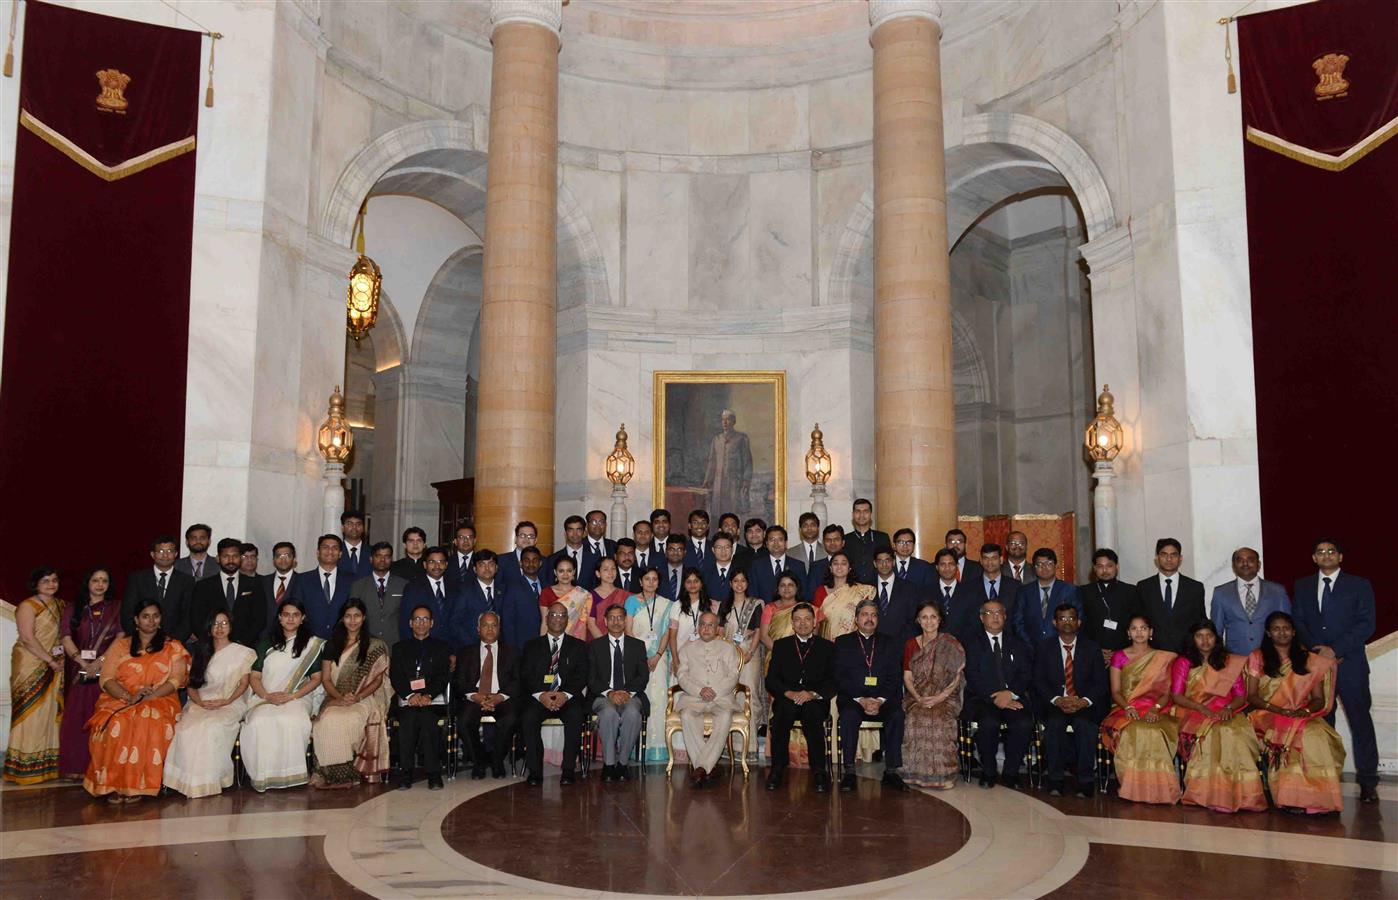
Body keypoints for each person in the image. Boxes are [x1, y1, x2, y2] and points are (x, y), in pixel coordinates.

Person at [1291, 538, 1378, 804]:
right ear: (1314, 558)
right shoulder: (1303, 585)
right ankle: (1326, 778)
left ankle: (1367, 781)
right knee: (1322, 724)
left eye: (1331, 551)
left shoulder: (1359, 585)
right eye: (1320, 552)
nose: (1326, 555)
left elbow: (1367, 624)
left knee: (1360, 721)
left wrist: (1335, 650)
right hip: (1317, 667)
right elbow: (1298, 621)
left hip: (1349, 664)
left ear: (1340, 556)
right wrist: (1318, 654)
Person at [83, 599, 190, 802]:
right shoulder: (121, 646)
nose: (151, 620)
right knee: (115, 723)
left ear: (160, 620)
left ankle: (136, 785)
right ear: (136, 620)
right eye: (145, 616)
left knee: (146, 721)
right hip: (120, 698)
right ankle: (111, 784)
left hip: (161, 698)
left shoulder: (172, 646)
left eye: (155, 616)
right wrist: (128, 697)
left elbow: (176, 679)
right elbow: (106, 679)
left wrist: (153, 695)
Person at [1246, 611, 1344, 814]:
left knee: (1317, 734)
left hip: (1302, 714)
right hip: (1268, 714)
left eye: (1286, 628)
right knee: (1289, 737)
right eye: (1276, 628)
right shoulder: (1258, 657)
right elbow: (1252, 696)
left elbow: (1318, 699)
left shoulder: (1308, 658)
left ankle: (1321, 798)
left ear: (1293, 632)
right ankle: (1292, 798)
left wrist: (1305, 711)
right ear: (1268, 633)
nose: (1282, 632)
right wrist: (1278, 709)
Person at [1170, 619, 1264, 813]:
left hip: (1226, 711)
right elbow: (1177, 696)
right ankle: (1209, 794)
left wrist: (1228, 708)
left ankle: (1242, 795)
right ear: (1192, 639)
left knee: (1234, 732)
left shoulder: (1229, 661)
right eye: (1199, 636)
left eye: (1209, 636)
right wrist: (1201, 708)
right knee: (1213, 734)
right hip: (1193, 711)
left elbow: (1240, 695)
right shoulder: (1184, 662)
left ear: (1216, 638)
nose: (1205, 641)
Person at [163, 611, 256, 798]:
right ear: (209, 628)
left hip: (231, 702)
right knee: (186, 728)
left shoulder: (243, 652)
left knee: (211, 727)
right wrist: (201, 703)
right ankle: (184, 781)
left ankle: (209, 781)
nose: (220, 628)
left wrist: (226, 701)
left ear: (231, 626)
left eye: (224, 623)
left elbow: (244, 684)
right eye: (215, 624)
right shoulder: (200, 651)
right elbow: (191, 686)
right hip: (200, 702)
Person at [241, 599, 326, 792]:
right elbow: (255, 677)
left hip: (298, 696)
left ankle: (291, 775)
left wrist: (293, 696)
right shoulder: (266, 643)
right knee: (258, 722)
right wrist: (267, 696)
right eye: (286, 614)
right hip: (266, 697)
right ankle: (265, 775)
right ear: (279, 618)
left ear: (302, 618)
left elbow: (316, 678)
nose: (290, 619)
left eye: (295, 615)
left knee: (293, 720)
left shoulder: (311, 644)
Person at [1101, 614, 1180, 804]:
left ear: (1151, 632)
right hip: (1124, 708)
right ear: (1128, 633)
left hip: (1157, 709)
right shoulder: (1119, 657)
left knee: (1154, 730)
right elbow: (1116, 691)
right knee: (1135, 730)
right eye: (1134, 628)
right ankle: (1133, 788)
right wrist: (1127, 706)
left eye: (1143, 628)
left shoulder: (1163, 657)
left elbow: (1167, 692)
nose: (1139, 632)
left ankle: (1161, 791)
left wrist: (1156, 708)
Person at [311, 599, 391, 788]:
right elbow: (326, 679)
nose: (352, 620)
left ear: (363, 618)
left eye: (356, 616)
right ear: (342, 619)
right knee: (325, 722)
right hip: (335, 697)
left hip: (364, 698)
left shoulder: (375, 645)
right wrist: (339, 698)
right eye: (348, 616)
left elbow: (377, 680)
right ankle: (327, 772)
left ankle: (350, 772)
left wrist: (357, 697)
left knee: (352, 719)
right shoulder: (331, 645)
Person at [1031, 604, 1108, 798]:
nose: (1067, 622)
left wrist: (1083, 701)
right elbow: (1038, 680)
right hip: (1055, 703)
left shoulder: (1091, 647)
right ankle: (1055, 779)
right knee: (1055, 724)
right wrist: (1057, 700)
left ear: (1079, 622)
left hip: (1083, 703)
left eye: (1071, 618)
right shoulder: (1044, 647)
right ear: (1054, 623)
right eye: (1062, 619)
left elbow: (1100, 682)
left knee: (1085, 726)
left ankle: (1085, 780)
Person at [834, 599, 910, 793]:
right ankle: (849, 770)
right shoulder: (843, 642)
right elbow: (839, 676)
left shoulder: (889, 642)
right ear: (857, 619)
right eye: (865, 615)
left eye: (874, 615)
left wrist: (880, 699)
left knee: (897, 715)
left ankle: (891, 771)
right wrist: (861, 699)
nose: (870, 619)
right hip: (854, 698)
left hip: (882, 699)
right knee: (849, 716)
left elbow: (894, 676)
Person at [59, 568, 122, 780]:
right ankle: (76, 766)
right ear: (88, 583)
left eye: (104, 580)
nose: (100, 584)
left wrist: (100, 662)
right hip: (79, 669)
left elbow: (121, 637)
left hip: (107, 670)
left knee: (102, 717)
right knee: (77, 717)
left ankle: (100, 766)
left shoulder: (116, 608)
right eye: (95, 580)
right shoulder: (73, 608)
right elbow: (66, 637)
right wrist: (82, 661)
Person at [765, 602, 835, 791]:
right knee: (780, 718)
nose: (802, 623)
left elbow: (832, 680)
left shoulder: (827, 647)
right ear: (792, 623)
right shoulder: (781, 646)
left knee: (812, 716)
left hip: (814, 699)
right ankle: (778, 768)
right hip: (788, 698)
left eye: (807, 619)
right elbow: (771, 680)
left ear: (814, 623)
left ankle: (819, 771)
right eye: (798, 620)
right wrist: (789, 693)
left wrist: (811, 694)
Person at [963, 598, 1032, 789]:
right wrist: (995, 697)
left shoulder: (1016, 642)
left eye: (998, 613)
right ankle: (989, 771)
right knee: (988, 723)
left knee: (1023, 723)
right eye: (989, 613)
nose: (994, 617)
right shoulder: (972, 643)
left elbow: (1025, 673)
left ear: (1005, 616)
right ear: (981, 618)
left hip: (1012, 697)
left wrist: (1010, 694)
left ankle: (1011, 772)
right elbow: (972, 675)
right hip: (983, 698)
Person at [5, 567, 66, 784]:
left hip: (55, 665)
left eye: (54, 580)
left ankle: (45, 765)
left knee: (48, 713)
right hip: (30, 664)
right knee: (29, 714)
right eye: (46, 580)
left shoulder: (60, 605)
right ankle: (23, 768)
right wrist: (49, 660)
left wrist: (58, 660)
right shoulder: (27, 606)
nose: (51, 584)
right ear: (36, 583)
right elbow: (28, 638)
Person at [520, 602, 589, 785]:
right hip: (540, 697)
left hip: (567, 697)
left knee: (575, 717)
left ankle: (568, 770)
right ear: (547, 618)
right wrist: (541, 695)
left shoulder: (578, 646)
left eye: (562, 616)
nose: (557, 619)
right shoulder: (531, 645)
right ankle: (535, 771)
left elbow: (582, 676)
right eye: (554, 615)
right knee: (528, 718)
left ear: (567, 620)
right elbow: (526, 675)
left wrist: (564, 694)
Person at [900, 601, 965, 790]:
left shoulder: (950, 644)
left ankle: (944, 775)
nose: (929, 621)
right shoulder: (911, 644)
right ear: (918, 621)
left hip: (946, 697)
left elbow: (956, 677)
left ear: (940, 620)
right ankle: (914, 774)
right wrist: (919, 698)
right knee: (916, 716)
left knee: (938, 718)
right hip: (917, 696)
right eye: (924, 617)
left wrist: (939, 697)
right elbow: (907, 676)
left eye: (933, 617)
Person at [675, 611, 744, 788]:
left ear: (717, 629)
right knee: (687, 716)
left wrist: (716, 691)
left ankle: (701, 767)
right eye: (702, 625)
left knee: (725, 716)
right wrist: (699, 691)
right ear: (698, 627)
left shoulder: (728, 648)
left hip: (721, 697)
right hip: (694, 698)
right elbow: (682, 676)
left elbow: (733, 675)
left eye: (710, 625)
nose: (705, 628)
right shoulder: (687, 649)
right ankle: (708, 767)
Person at [390, 604, 451, 790]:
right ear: (410, 623)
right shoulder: (399, 648)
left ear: (431, 623)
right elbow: (396, 676)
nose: (421, 623)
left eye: (425, 619)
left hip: (431, 701)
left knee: (427, 720)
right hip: (407, 700)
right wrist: (410, 695)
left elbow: (443, 676)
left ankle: (433, 775)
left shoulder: (441, 647)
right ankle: (406, 773)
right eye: (417, 619)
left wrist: (428, 695)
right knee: (408, 721)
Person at [454, 610, 520, 779]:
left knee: (511, 718)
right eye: (485, 625)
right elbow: (460, 681)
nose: (490, 629)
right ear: (478, 629)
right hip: (475, 697)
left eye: (494, 625)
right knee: (463, 720)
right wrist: (475, 696)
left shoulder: (512, 651)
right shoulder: (466, 652)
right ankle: (479, 762)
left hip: (501, 697)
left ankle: (497, 761)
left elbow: (517, 680)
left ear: (500, 628)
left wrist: (499, 697)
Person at [589, 603, 650, 782]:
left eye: (620, 618)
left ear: (625, 621)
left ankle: (623, 764)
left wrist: (627, 693)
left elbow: (643, 676)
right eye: (612, 618)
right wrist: (609, 693)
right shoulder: (595, 646)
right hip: (603, 695)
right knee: (608, 713)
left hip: (631, 695)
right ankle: (608, 765)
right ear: (605, 622)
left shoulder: (637, 645)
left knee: (633, 714)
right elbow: (591, 678)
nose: (616, 621)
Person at [627, 568, 677, 763]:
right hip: (636, 659)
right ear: (640, 581)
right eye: (647, 579)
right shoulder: (631, 602)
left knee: (659, 699)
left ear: (659, 582)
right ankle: (637, 748)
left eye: (654, 579)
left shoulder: (667, 604)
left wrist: (657, 655)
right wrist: (640, 657)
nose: (650, 582)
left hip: (659, 659)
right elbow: (628, 629)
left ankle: (659, 748)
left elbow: (667, 633)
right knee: (640, 699)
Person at [1210, 547, 1290, 656]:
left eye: (1250, 559)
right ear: (1233, 566)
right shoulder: (1221, 592)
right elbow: (1216, 630)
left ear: (1259, 564)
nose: (1245, 563)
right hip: (1235, 657)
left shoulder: (1277, 591)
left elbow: (1287, 624)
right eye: (1240, 560)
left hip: (1271, 656)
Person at [188, 537, 266, 648]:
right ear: (218, 559)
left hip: (245, 647)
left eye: (235, 556)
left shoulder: (254, 584)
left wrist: (241, 643)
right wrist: (214, 642)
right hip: (212, 647)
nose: (231, 560)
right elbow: (197, 619)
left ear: (240, 558)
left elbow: (259, 618)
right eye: (226, 556)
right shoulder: (203, 586)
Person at [1135, 538, 1206, 655]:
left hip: (1186, 654)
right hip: (1152, 653)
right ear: (1157, 558)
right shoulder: (1144, 587)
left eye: (1174, 555)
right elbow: (1139, 621)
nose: (1169, 559)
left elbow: (1200, 621)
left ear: (1180, 558)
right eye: (1164, 555)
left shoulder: (1195, 588)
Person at [123, 535, 196, 639]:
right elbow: (128, 613)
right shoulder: (137, 579)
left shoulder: (187, 581)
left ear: (175, 554)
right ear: (153, 554)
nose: (165, 555)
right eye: (161, 551)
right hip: (141, 641)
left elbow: (188, 616)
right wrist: (141, 637)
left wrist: (173, 640)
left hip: (174, 644)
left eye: (170, 551)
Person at [1078, 548, 1140, 665]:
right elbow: (1081, 626)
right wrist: (1095, 650)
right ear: (1094, 568)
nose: (1105, 570)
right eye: (1100, 566)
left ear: (1117, 567)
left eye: (1109, 566)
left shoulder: (1131, 591)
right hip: (1092, 654)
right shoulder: (1084, 592)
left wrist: (1120, 651)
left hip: (1125, 653)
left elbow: (1136, 623)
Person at [1014, 548, 1079, 652]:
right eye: (1039, 564)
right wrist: (1030, 645)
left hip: (1062, 649)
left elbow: (1078, 620)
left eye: (1049, 563)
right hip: (1030, 650)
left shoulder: (1069, 590)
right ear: (1034, 568)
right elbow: (1018, 622)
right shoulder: (1024, 591)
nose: (1044, 568)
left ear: (1055, 565)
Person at [399, 547, 462, 648]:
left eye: (441, 562)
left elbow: (459, 621)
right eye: (432, 562)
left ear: (446, 565)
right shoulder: (413, 588)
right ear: (425, 565)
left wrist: (455, 651)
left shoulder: (455, 587)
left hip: (451, 647)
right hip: (422, 647)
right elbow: (405, 622)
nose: (437, 566)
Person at [291, 534, 351, 640]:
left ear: (340, 554)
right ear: (318, 553)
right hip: (308, 642)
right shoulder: (302, 580)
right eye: (325, 547)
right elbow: (296, 611)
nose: (330, 551)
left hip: (342, 642)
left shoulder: (351, 580)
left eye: (335, 548)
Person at [350, 541, 407, 651]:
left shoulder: (403, 585)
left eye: (387, 556)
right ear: (371, 559)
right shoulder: (358, 585)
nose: (382, 560)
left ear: (391, 560)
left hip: (395, 646)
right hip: (365, 646)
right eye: (378, 556)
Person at [702, 409, 752, 519]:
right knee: (718, 512)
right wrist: (707, 480)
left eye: (728, 419)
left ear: (733, 421)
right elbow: (712, 462)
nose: (725, 422)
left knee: (733, 511)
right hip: (718, 483)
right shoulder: (717, 439)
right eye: (723, 420)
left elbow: (747, 461)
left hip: (734, 482)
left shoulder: (741, 438)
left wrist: (746, 481)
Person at [812, 551, 874, 639]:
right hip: (826, 641)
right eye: (835, 563)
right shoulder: (821, 591)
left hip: (852, 642)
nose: (839, 566)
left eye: (843, 563)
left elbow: (864, 618)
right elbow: (815, 621)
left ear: (849, 568)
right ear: (830, 568)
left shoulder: (860, 591)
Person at [539, 554, 600, 644]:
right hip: (551, 640)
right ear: (555, 572)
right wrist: (542, 644)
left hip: (575, 642)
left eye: (569, 571)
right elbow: (544, 622)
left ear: (574, 572)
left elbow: (584, 624)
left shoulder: (583, 594)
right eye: (561, 571)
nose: (565, 575)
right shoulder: (546, 592)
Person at [869, 547, 918, 641]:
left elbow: (913, 619)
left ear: (894, 562)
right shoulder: (866, 587)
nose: (884, 564)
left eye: (887, 560)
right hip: (873, 643)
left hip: (901, 644)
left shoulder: (909, 588)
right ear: (875, 564)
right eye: (880, 561)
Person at [749, 525, 808, 604]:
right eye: (772, 540)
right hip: (764, 612)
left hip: (791, 612)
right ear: (766, 543)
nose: (776, 543)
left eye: (780, 539)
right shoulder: (757, 565)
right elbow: (753, 594)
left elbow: (802, 594)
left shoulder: (798, 566)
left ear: (786, 543)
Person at [550, 515, 601, 591]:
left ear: (584, 532)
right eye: (571, 530)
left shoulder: (594, 558)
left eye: (578, 530)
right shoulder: (553, 559)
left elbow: (597, 586)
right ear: (566, 533)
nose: (575, 534)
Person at [670, 567, 710, 661]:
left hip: (703, 657)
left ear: (701, 584)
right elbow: (672, 636)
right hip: (681, 655)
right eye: (688, 582)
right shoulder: (677, 606)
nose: (692, 585)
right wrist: (675, 660)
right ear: (684, 584)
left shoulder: (709, 606)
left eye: (696, 581)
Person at [844, 498, 891, 574]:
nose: (861, 515)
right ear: (853, 514)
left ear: (870, 514)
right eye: (858, 511)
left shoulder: (882, 538)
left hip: (877, 584)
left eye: (865, 511)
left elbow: (889, 563)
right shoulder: (845, 539)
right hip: (852, 584)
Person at [260, 541, 299, 630]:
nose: (283, 560)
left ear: (293, 559)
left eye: (287, 556)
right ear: (273, 560)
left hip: (293, 637)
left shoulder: (302, 581)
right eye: (278, 556)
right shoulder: (262, 582)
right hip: (265, 638)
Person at [592, 556, 631, 635]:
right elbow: (591, 624)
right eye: (606, 569)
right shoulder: (591, 596)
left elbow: (628, 622)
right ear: (598, 573)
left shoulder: (625, 595)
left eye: (613, 569)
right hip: (598, 643)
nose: (610, 573)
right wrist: (604, 645)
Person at [496, 520, 539, 588]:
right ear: (515, 539)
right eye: (522, 535)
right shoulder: (501, 561)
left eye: (531, 536)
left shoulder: (544, 561)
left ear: (535, 540)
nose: (526, 539)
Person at [699, 533, 738, 601]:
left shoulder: (740, 571)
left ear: (732, 549)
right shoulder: (704, 573)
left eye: (727, 547)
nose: (723, 551)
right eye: (719, 547)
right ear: (713, 550)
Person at [338, 510, 372, 581]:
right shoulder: (335, 551)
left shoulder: (373, 552)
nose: (354, 527)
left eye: (358, 524)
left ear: (363, 528)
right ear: (342, 528)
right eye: (350, 524)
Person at [444, 523, 477, 590]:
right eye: (461, 537)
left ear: (474, 541)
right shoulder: (446, 562)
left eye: (469, 537)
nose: (465, 541)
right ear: (455, 541)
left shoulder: (480, 561)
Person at [658, 534, 688, 601]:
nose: (675, 553)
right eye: (672, 549)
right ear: (666, 552)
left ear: (685, 552)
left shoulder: (690, 574)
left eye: (679, 550)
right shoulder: (657, 572)